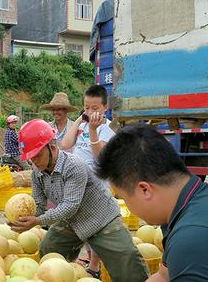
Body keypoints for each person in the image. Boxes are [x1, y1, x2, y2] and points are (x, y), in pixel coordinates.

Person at [98, 123, 208, 281]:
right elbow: (163, 276)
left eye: (123, 198)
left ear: (145, 190)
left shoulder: (194, 237)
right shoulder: (193, 199)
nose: (127, 207)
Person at [10, 119, 149, 281]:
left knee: (128, 263)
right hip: (72, 221)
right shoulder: (37, 172)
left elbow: (70, 206)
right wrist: (25, 220)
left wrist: (38, 220)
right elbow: (39, 204)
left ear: (52, 147)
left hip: (101, 219)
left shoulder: (74, 165)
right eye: (31, 158)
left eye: (37, 155)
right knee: (49, 249)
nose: (33, 161)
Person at [60, 84, 115, 273]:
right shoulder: (82, 125)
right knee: (84, 225)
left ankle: (94, 267)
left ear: (105, 108)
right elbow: (65, 144)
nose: (90, 112)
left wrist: (93, 130)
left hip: (97, 185)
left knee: (97, 227)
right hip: (78, 184)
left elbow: (100, 157)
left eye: (95, 108)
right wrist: (79, 121)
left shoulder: (107, 129)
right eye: (86, 107)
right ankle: (92, 261)